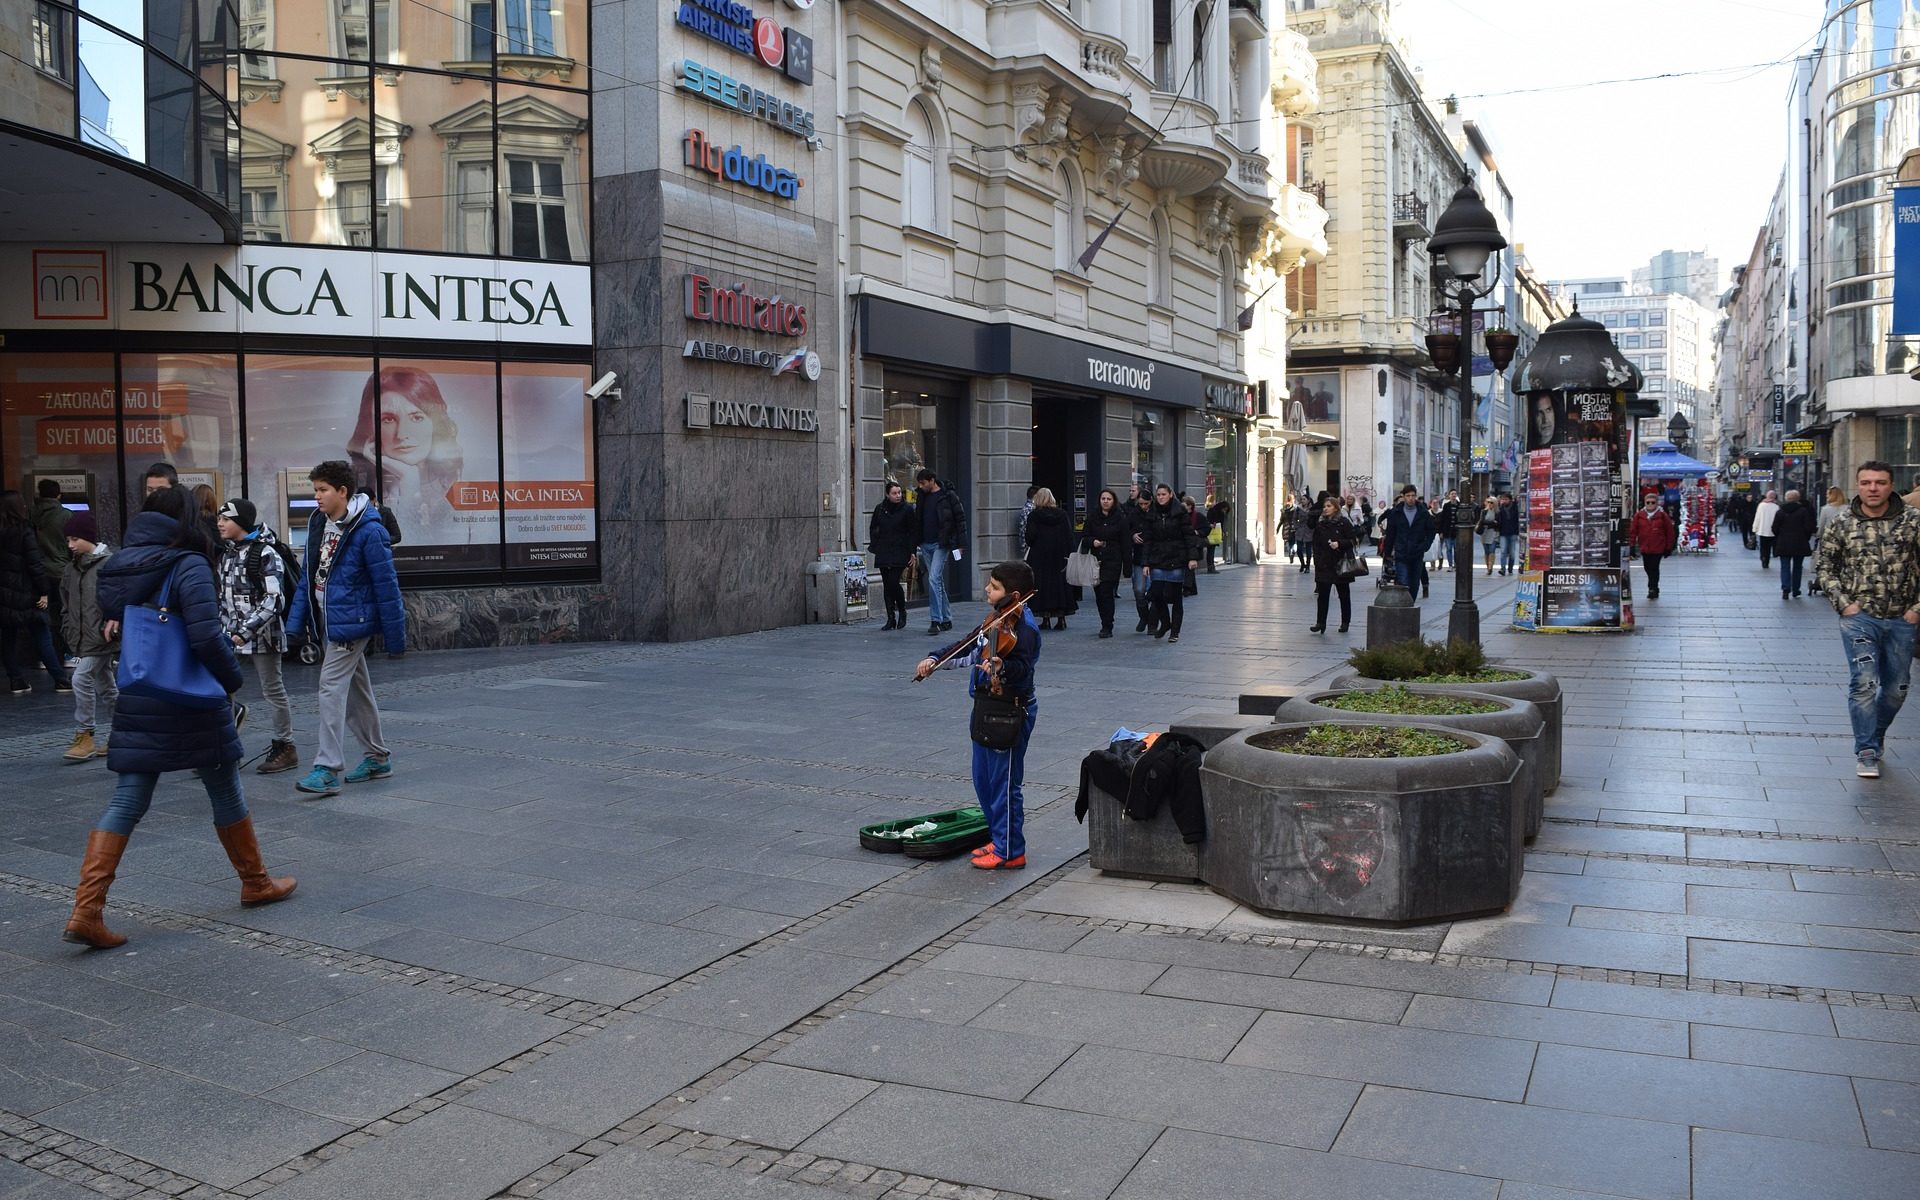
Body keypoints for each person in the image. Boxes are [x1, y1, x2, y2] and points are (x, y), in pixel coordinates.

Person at [63, 485, 295, 949]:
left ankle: (86, 910)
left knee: (129, 797)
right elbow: (207, 636)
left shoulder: (124, 562)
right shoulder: (188, 562)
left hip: (141, 689)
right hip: (191, 693)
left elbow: (112, 616)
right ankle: (255, 882)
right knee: (224, 784)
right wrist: (230, 681)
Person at [285, 460, 407, 797]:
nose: (317, 497)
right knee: (357, 690)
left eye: (323, 490)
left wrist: (396, 637)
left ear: (343, 491)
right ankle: (377, 757)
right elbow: (310, 576)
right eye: (315, 490)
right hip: (329, 618)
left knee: (330, 687)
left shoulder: (369, 530)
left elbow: (387, 585)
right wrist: (296, 623)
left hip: (351, 623)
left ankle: (326, 767)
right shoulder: (318, 523)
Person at [914, 561, 1040, 870]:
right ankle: (999, 839)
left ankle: (1011, 851)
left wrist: (1003, 668)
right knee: (983, 780)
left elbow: (1024, 671)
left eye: (994, 586)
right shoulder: (998, 619)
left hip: (1009, 711)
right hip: (986, 707)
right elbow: (969, 647)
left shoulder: (1025, 629)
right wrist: (935, 659)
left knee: (1004, 783)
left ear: (1013, 594)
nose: (987, 589)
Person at [1812, 461, 1920, 778]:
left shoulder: (1912, 521)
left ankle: (1875, 732)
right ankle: (1867, 750)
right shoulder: (1842, 522)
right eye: (1866, 482)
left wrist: (1916, 608)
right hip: (1859, 618)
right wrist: (1844, 604)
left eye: (1880, 482)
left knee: (1897, 688)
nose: (1873, 488)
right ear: (1857, 485)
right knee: (1864, 682)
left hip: (1903, 616)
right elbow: (1825, 566)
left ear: (1891, 485)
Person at [216, 499, 300, 773]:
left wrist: (246, 630)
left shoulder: (265, 553)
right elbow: (222, 598)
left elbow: (274, 599)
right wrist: (226, 629)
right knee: (224, 690)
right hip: (231, 635)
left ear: (241, 522)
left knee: (272, 689)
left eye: (226, 519)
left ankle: (285, 746)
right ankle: (224, 748)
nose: (220, 523)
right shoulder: (226, 554)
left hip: (264, 635)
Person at [349, 367, 471, 546]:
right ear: (372, 427)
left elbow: (454, 552)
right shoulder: (356, 488)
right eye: (388, 419)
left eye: (416, 418)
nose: (402, 434)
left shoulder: (458, 486)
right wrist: (409, 478)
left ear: (434, 424)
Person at [59, 513, 115, 763]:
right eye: (68, 540)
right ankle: (122, 732)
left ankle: (86, 733)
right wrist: (67, 628)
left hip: (102, 638)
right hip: (83, 638)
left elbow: (116, 598)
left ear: (88, 538)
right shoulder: (71, 569)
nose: (70, 544)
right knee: (106, 687)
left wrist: (111, 626)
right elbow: (65, 603)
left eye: (74, 539)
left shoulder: (107, 564)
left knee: (81, 679)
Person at [0, 490, 69, 696]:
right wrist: (43, 592)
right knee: (41, 635)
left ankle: (16, 681)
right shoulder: (24, 530)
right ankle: (60, 679)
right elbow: (35, 565)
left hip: (4, 595)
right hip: (27, 592)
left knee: (8, 638)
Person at [1142, 484, 1201, 642]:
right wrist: (1145, 563)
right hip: (1158, 558)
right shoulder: (1152, 512)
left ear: (1170, 495)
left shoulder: (1179, 511)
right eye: (1158, 494)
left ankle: (1175, 631)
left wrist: (1192, 557)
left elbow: (1189, 535)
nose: (1160, 497)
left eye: (1163, 494)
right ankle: (1166, 623)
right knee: (1156, 593)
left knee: (1175, 597)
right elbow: (1147, 540)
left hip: (1176, 557)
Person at [913, 468, 966, 636]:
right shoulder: (922, 496)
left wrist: (961, 544)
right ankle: (947, 618)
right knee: (937, 581)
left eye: (923, 483)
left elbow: (960, 519)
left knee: (933, 578)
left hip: (941, 543)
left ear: (932, 480)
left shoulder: (948, 496)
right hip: (925, 543)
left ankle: (935, 619)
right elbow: (918, 519)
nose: (920, 486)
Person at [867, 480, 917, 631]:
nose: (898, 496)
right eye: (894, 493)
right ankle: (890, 618)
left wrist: (912, 551)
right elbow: (873, 527)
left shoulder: (907, 509)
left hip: (900, 550)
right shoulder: (880, 509)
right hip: (883, 550)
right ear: (887, 494)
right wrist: (875, 543)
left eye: (899, 492)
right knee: (887, 585)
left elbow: (913, 531)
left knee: (894, 582)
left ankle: (902, 611)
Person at [31, 479, 73, 661]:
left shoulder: (29, 514)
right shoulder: (66, 515)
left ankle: (45, 658)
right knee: (65, 614)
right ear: (59, 495)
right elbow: (72, 545)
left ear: (39, 495)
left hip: (38, 573)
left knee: (43, 617)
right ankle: (67, 654)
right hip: (61, 571)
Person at [1022, 488, 1075, 630]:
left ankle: (1046, 618)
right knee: (1059, 584)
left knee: (1042, 585)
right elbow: (1069, 536)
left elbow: (1030, 537)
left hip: (1040, 555)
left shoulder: (1034, 516)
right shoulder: (1062, 515)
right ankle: (1061, 618)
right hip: (1059, 554)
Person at [1080, 488, 1130, 638]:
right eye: (1103, 499)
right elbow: (1084, 537)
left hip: (1113, 559)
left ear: (1113, 501)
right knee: (1099, 594)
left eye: (1108, 499)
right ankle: (1104, 620)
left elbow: (1126, 543)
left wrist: (1127, 566)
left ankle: (1107, 625)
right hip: (1096, 560)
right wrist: (1092, 541)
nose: (1106, 501)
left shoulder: (1120, 518)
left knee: (1106, 592)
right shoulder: (1092, 517)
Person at [1309, 496, 1357, 634]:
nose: (1325, 509)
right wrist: (1316, 559)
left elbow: (1353, 539)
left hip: (1340, 563)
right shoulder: (1321, 524)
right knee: (1323, 595)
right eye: (1325, 506)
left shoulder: (1343, 523)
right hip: (1324, 563)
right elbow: (1316, 543)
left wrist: (1340, 544)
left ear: (1335, 508)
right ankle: (1320, 622)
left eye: (1329, 506)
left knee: (1344, 595)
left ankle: (1345, 622)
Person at [1379, 484, 1434, 592]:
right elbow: (1391, 534)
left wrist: (1425, 545)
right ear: (1403, 496)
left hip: (1417, 552)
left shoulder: (1422, 513)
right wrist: (1388, 552)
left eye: (1413, 495)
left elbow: (1431, 530)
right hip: (1401, 551)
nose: (1411, 498)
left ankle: (1410, 605)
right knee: (1403, 581)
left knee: (1414, 583)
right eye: (1408, 496)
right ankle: (1406, 605)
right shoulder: (1396, 513)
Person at [1628, 492, 1677, 600]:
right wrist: (1631, 546)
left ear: (1657, 503)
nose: (1650, 504)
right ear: (1644, 503)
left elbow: (1670, 532)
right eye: (1648, 502)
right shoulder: (1639, 515)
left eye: (1653, 502)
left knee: (1654, 568)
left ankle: (1652, 588)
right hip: (1645, 547)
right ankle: (1653, 586)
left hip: (1658, 547)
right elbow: (1633, 531)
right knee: (1647, 567)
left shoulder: (1662, 516)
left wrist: (1668, 547)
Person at [1773, 488, 1818, 600]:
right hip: (1799, 542)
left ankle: (1785, 589)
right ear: (1798, 499)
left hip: (1784, 543)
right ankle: (1796, 589)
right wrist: (1805, 537)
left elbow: (1774, 528)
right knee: (1797, 567)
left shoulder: (1780, 512)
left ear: (1786, 499)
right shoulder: (1803, 511)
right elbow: (1809, 527)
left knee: (1785, 566)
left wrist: (1780, 536)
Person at [1812, 485, 1849, 596]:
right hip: (1845, 539)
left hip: (1828, 540)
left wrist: (1818, 536)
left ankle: (1829, 585)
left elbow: (1821, 526)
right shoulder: (1848, 508)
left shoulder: (1825, 509)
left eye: (1827, 494)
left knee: (1828, 563)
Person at [1127, 487, 1155, 628]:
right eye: (1141, 503)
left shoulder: (1157, 513)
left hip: (1156, 556)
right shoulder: (1134, 513)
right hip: (1139, 555)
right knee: (1139, 590)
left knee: (1156, 591)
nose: (1143, 506)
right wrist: (1133, 535)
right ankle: (1144, 617)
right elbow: (1126, 529)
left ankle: (1151, 621)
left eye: (1146, 503)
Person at [1752, 489, 1780, 568]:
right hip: (1773, 531)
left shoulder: (1761, 505)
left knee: (1763, 546)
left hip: (1763, 530)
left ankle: (1763, 558)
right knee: (1771, 546)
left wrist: (1755, 528)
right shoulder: (1776, 507)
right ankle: (1768, 558)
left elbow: (1757, 517)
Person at [1434, 490, 1460, 571]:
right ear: (1449, 495)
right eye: (1452, 494)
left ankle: (1456, 564)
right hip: (1447, 530)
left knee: (1456, 549)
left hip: (1456, 531)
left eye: (1455, 494)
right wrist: (1441, 531)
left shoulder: (1460, 505)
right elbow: (1443, 519)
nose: (1454, 495)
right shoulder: (1446, 505)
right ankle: (1450, 565)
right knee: (1448, 549)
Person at [1496, 493, 1520, 574]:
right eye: (1503, 499)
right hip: (1503, 532)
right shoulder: (1501, 508)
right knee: (1503, 551)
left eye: (1506, 499)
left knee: (1512, 552)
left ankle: (1510, 568)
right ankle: (1502, 568)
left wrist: (1517, 531)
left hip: (1513, 533)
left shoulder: (1515, 507)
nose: (1504, 501)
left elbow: (1518, 520)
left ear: (1510, 500)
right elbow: (1499, 520)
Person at [1204, 498, 1231, 572]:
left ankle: (1211, 566)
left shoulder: (1221, 513)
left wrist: (1223, 532)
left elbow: (1222, 524)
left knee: (1212, 551)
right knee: (1210, 551)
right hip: (1211, 533)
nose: (1224, 511)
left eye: (1226, 510)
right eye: (1224, 509)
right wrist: (1211, 524)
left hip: (1216, 534)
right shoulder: (1212, 510)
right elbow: (1207, 521)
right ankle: (1210, 567)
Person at [1476, 496, 1500, 575]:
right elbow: (1483, 521)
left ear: (1495, 503)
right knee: (1486, 551)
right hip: (1485, 533)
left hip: (1493, 533)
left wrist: (1490, 523)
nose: (1490, 504)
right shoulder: (1484, 511)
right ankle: (1487, 567)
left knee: (1492, 550)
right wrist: (1492, 523)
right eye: (1488, 502)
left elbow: (1498, 523)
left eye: (1491, 502)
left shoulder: (1497, 512)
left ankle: (1490, 568)